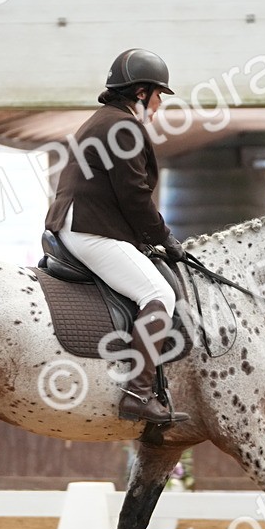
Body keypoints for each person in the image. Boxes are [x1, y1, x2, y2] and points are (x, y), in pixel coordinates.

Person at [44, 48, 189, 425]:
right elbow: (134, 194)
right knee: (159, 294)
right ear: (141, 92)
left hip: (82, 222)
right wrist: (164, 236)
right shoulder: (123, 127)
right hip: (90, 228)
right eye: (158, 96)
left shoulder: (104, 120)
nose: (158, 106)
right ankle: (137, 393)